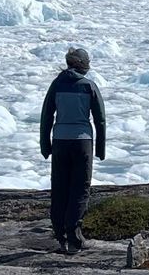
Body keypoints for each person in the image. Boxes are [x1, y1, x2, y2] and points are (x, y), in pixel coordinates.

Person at [39, 46, 106, 253]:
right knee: (80, 188)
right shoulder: (89, 86)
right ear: (84, 65)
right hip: (82, 143)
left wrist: (45, 145)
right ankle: (74, 235)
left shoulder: (56, 84)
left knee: (59, 188)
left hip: (60, 141)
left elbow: (46, 116)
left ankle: (60, 236)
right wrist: (100, 148)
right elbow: (100, 119)